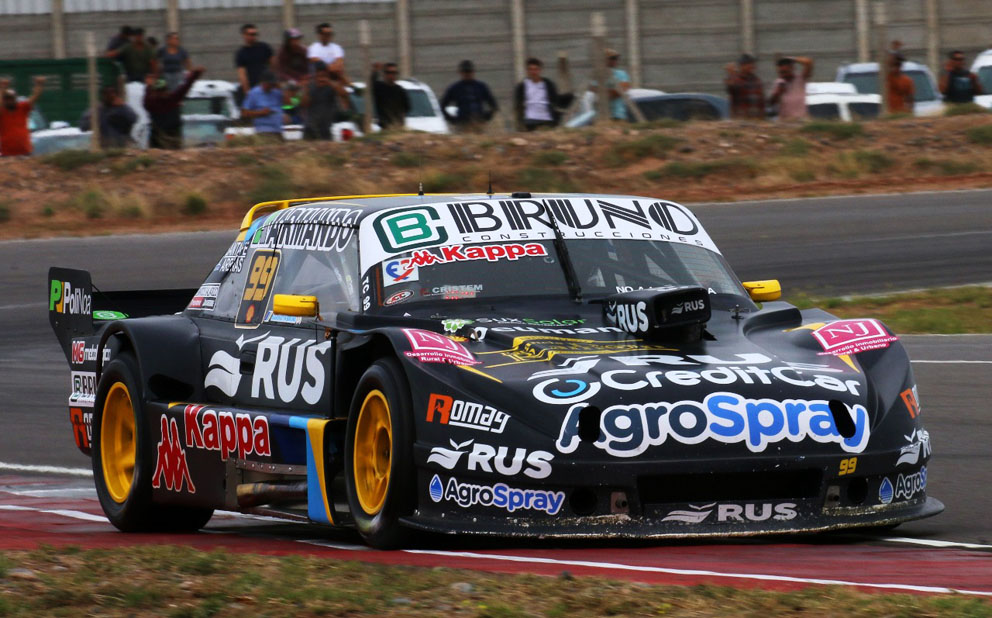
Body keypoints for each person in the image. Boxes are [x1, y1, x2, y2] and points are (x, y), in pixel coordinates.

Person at [144, 66, 205, 149]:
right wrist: (195, 74)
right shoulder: (170, 100)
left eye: (162, 90)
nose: (162, 93)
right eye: (160, 91)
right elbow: (185, 87)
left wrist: (148, 86)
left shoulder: (154, 102)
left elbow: (185, 87)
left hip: (168, 139)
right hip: (162, 140)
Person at [440, 60, 498, 130]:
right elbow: (442, 105)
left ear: (473, 72)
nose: (467, 74)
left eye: (469, 71)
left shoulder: (481, 87)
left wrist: (486, 117)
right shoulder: (455, 88)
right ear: (460, 73)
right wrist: (452, 119)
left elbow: (494, 105)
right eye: (465, 72)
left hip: (479, 124)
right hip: (462, 124)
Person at [513, 57, 567, 130]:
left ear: (540, 70)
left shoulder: (548, 84)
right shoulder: (522, 87)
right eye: (530, 69)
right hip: (530, 121)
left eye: (536, 69)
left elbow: (555, 100)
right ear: (527, 71)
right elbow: (518, 105)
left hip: (547, 119)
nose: (533, 72)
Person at [301, 63, 350, 140]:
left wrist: (330, 82)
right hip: (310, 128)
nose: (320, 79)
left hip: (326, 129)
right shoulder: (310, 86)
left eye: (323, 76)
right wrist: (306, 90)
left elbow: (344, 94)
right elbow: (304, 104)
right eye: (318, 76)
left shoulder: (331, 86)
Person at [0, 76, 44, 157]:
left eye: (11, 99)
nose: (9, 101)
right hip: (7, 153)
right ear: (4, 100)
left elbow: (34, 97)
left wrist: (39, 84)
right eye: (7, 99)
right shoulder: (2, 112)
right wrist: (3, 88)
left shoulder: (22, 108)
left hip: (25, 151)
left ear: (15, 99)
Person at [235, 24, 274, 106]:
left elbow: (274, 65)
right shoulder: (241, 53)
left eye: (255, 34)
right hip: (252, 88)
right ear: (244, 35)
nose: (254, 36)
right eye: (251, 34)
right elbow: (242, 75)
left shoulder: (264, 48)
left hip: (266, 86)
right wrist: (248, 93)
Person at [241, 70, 283, 139]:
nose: (271, 86)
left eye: (273, 84)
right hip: (263, 132)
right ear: (263, 83)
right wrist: (261, 113)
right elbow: (244, 113)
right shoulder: (253, 93)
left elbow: (290, 103)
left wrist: (281, 88)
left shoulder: (277, 92)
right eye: (270, 84)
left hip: (277, 130)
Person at [769, 56, 813, 121]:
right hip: (785, 120)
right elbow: (771, 103)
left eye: (785, 72)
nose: (782, 75)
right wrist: (778, 93)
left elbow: (808, 62)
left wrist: (791, 59)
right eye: (780, 72)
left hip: (801, 119)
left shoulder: (801, 79)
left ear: (792, 68)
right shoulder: (778, 82)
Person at [724, 53, 765, 119]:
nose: (752, 66)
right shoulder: (736, 79)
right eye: (750, 64)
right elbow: (730, 88)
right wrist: (731, 74)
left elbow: (761, 101)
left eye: (753, 64)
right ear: (742, 66)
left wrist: (762, 116)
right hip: (741, 119)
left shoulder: (757, 80)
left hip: (756, 119)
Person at [370, 62, 409, 130]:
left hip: (398, 127)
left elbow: (407, 107)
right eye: (389, 72)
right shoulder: (379, 88)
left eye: (394, 73)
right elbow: (371, 83)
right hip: (385, 127)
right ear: (384, 74)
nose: (392, 75)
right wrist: (375, 71)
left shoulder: (400, 90)